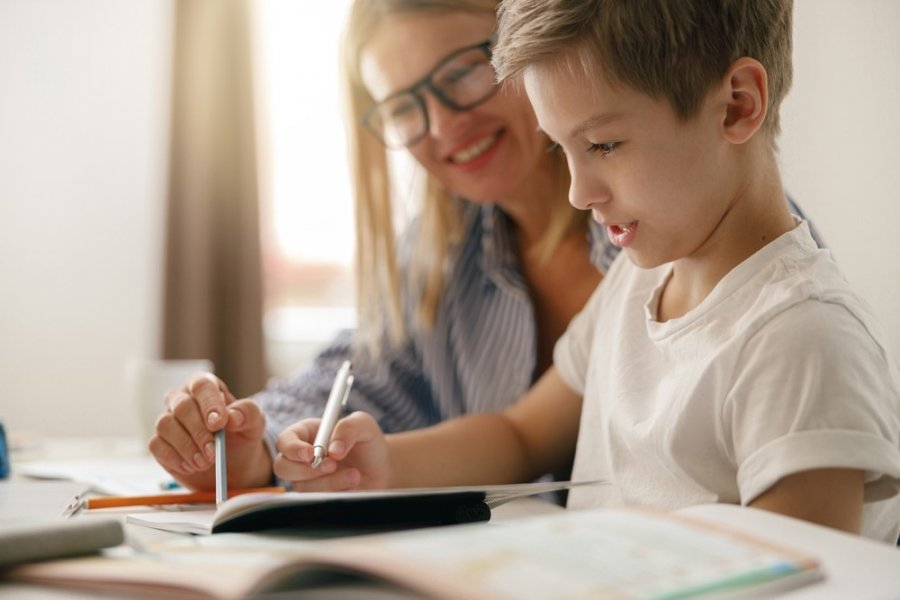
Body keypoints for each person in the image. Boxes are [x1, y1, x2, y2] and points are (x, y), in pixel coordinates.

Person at [272, 0, 900, 543]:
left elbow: (804, 581)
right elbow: (519, 436)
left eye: (601, 145)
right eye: (561, 148)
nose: (577, 192)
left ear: (736, 106)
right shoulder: (638, 280)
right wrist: (381, 463)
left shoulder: (801, 339)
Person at [148, 0, 820, 493]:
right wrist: (250, 441)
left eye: (464, 73)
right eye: (404, 106)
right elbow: (479, 423)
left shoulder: (698, 231)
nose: (443, 125)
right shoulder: (445, 252)